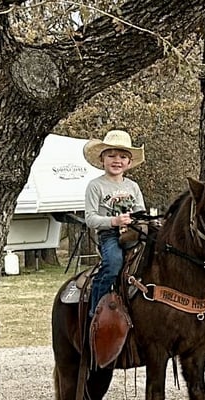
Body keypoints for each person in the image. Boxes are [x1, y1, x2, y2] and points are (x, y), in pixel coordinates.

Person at [82, 129, 146, 318]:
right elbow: (90, 218)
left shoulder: (133, 186)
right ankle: (96, 309)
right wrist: (114, 221)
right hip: (109, 234)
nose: (116, 160)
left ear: (129, 162)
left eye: (122, 156)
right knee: (113, 264)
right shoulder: (96, 186)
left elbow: (140, 211)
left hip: (134, 232)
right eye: (111, 155)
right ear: (102, 159)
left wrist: (135, 220)